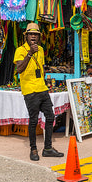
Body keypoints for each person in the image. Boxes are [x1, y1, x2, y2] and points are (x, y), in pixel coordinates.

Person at [14, 23, 64, 161]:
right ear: (26, 36)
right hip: (30, 90)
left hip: (42, 88)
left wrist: (45, 82)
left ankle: (48, 148)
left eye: (35, 34)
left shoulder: (41, 50)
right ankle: (33, 149)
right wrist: (30, 53)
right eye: (31, 34)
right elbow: (19, 69)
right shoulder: (20, 50)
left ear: (39, 37)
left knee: (50, 117)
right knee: (33, 120)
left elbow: (41, 68)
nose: (33, 37)